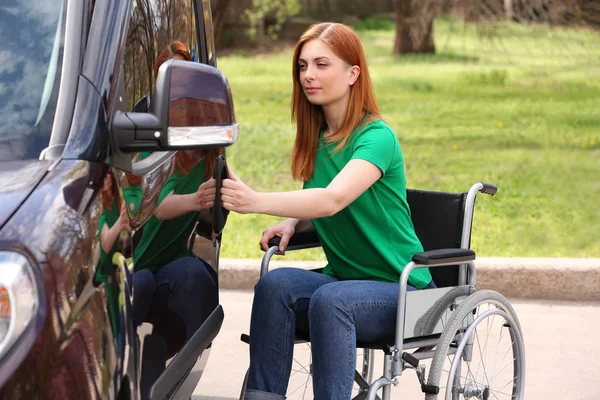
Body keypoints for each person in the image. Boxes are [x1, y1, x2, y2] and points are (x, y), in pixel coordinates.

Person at [220, 23, 435, 399]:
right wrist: (291, 222)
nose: (309, 75)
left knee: (331, 300)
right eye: (303, 66)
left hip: (402, 290)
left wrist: (254, 202)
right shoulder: (318, 139)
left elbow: (333, 198)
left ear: (353, 73)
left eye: (321, 64)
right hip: (344, 280)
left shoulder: (376, 138)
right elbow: (316, 196)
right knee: (276, 285)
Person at [131, 41, 221, 397]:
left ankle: (178, 375)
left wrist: (217, 210)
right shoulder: (146, 137)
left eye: (181, 74)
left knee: (197, 278)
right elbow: (158, 205)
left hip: (171, 261)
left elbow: (223, 193)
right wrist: (195, 199)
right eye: (166, 75)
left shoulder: (208, 144)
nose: (175, 85)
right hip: (136, 261)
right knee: (141, 285)